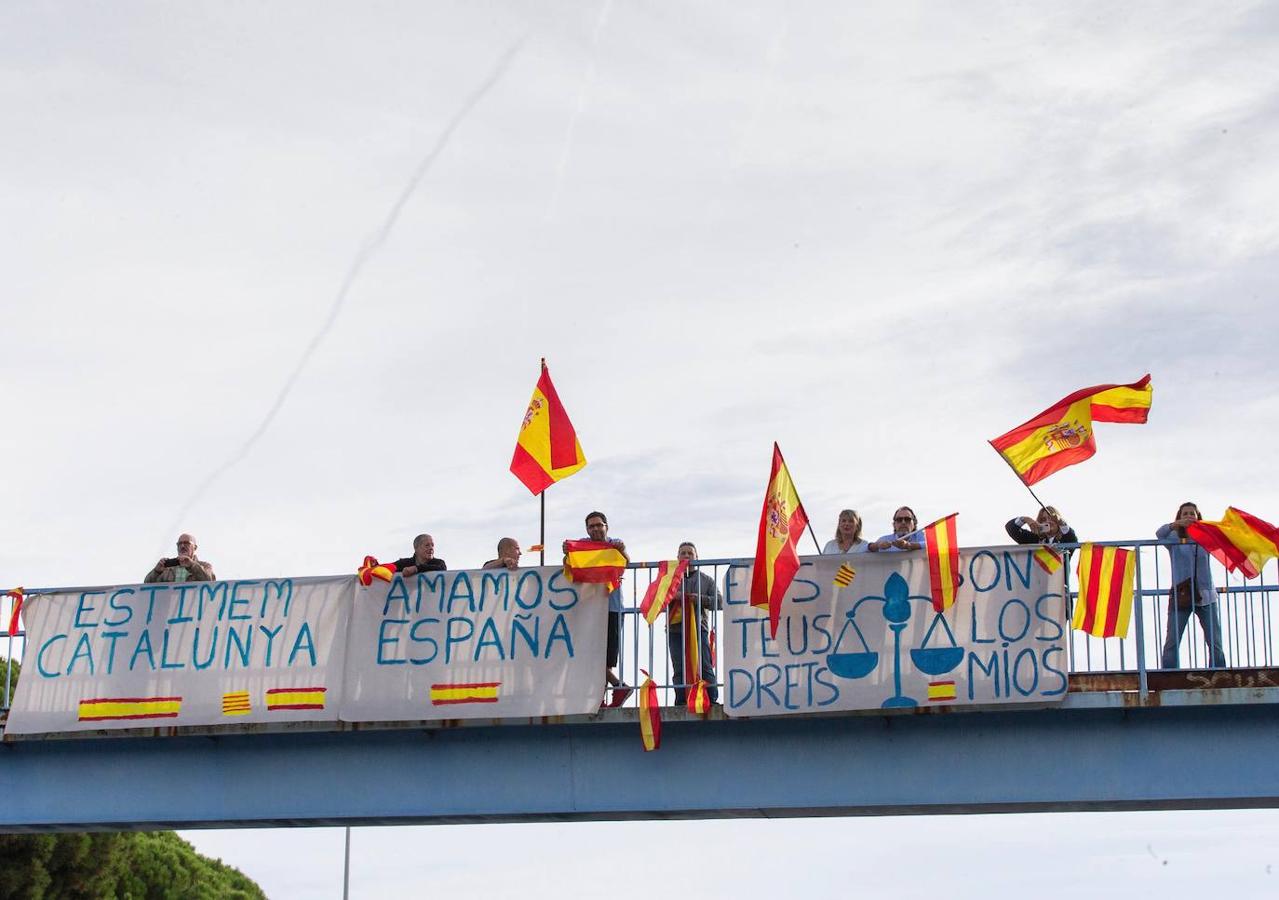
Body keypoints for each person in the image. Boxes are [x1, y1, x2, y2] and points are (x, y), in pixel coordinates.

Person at [563, 511, 630, 707]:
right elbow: (569, 565)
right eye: (591, 526)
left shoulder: (615, 543)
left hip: (612, 608)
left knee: (606, 657)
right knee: (592, 654)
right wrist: (568, 551)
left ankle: (603, 697)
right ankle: (614, 689)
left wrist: (622, 550)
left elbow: (625, 563)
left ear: (606, 526)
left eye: (599, 525)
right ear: (587, 529)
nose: (595, 529)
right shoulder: (583, 545)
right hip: (591, 608)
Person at [1157, 501, 1226, 669]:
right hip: (1181, 594)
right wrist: (1175, 525)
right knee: (1172, 639)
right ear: (1179, 517)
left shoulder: (1206, 537)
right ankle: (1169, 675)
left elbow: (1223, 537)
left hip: (1206, 594)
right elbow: (1159, 533)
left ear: (1198, 517)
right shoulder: (1173, 537)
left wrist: (1204, 528)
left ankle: (1218, 673)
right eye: (1185, 514)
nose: (1189, 516)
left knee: (1214, 640)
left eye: (1192, 513)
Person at [667, 542, 721, 705]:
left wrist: (699, 599)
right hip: (675, 629)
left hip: (699, 629)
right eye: (682, 553)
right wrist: (672, 596)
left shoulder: (707, 580)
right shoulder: (669, 580)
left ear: (697, 557)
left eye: (690, 553)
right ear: (677, 558)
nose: (686, 556)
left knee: (704, 664)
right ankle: (681, 700)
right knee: (679, 665)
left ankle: (711, 698)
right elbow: (657, 600)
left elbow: (720, 602)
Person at [145, 533, 215, 583]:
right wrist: (157, 572)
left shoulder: (205, 566)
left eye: (187, 543)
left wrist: (192, 565)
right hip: (170, 604)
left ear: (195, 547)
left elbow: (211, 582)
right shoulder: (167, 569)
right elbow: (145, 587)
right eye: (179, 544)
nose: (182, 546)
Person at [1005, 506, 1079, 545]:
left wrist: (1060, 521)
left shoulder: (1066, 538)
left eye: (1051, 518)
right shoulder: (1034, 539)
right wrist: (1025, 519)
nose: (1048, 521)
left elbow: (1070, 535)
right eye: (1043, 519)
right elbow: (1010, 528)